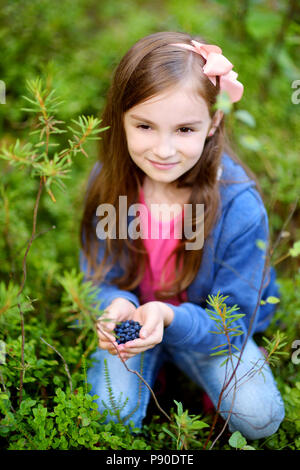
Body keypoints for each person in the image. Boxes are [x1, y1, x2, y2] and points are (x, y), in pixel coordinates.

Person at [79, 31, 285, 440]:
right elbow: (99, 276)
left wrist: (169, 316)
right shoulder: (110, 182)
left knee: (260, 417)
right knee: (108, 417)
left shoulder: (238, 206)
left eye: (185, 130)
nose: (163, 149)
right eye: (145, 126)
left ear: (214, 122)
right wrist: (114, 304)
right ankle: (156, 368)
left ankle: (187, 366)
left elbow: (230, 322)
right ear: (121, 118)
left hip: (207, 328)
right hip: (137, 326)